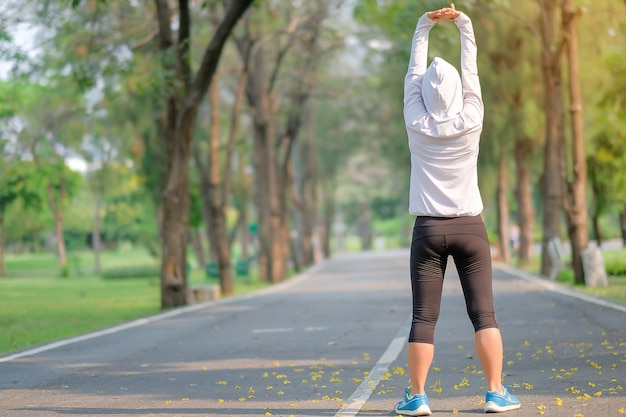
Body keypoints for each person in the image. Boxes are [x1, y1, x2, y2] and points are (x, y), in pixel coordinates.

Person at [394, 4, 521, 415]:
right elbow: (472, 72)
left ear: (425, 96)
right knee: (484, 313)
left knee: (422, 318)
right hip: (470, 228)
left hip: (428, 229)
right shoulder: (472, 118)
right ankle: (495, 392)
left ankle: (417, 397)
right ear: (458, 93)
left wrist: (423, 28)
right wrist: (462, 24)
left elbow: (414, 74)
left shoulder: (416, 120)